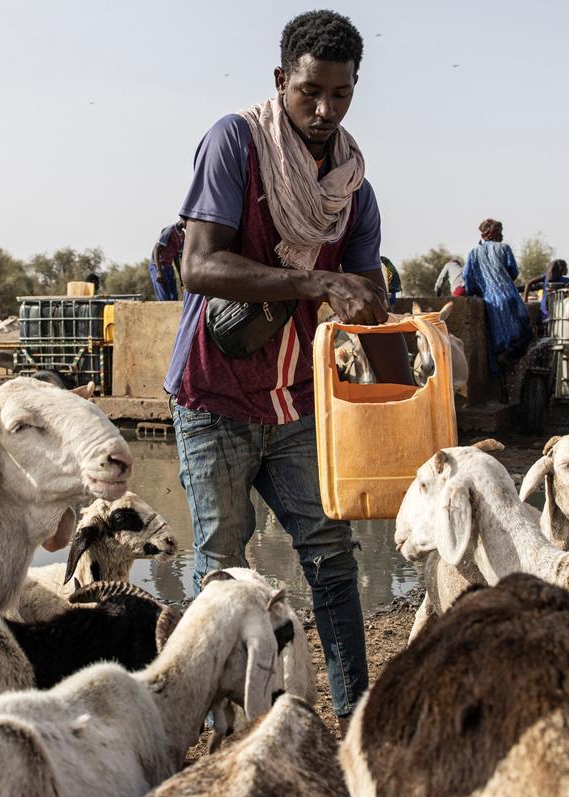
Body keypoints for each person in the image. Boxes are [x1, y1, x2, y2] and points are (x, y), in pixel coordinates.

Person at [163, 10, 411, 725]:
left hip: (301, 402)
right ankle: (222, 729)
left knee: (332, 558)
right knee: (223, 574)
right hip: (215, 395)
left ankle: (357, 715)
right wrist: (314, 284)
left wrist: (373, 309)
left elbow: (362, 296)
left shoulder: (353, 188)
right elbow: (200, 266)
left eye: (341, 94)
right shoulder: (234, 142)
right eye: (310, 93)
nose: (325, 109)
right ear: (281, 81)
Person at [463, 218, 532, 374]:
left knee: (496, 340)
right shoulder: (504, 248)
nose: (502, 236)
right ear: (493, 234)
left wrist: (476, 290)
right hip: (510, 296)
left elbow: (467, 276)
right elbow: (513, 271)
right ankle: (509, 356)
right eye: (500, 232)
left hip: (490, 301)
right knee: (526, 332)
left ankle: (501, 368)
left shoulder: (473, 253)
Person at [524, 258, 569, 325]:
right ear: (561, 269)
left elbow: (528, 284)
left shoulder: (545, 277)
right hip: (558, 312)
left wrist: (525, 301)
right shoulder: (566, 281)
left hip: (544, 311)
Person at [149, 220, 185, 301]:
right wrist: (159, 271)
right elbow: (156, 249)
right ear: (184, 220)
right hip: (158, 266)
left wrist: (180, 275)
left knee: (174, 297)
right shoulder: (169, 230)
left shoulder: (183, 235)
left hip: (168, 267)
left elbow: (176, 256)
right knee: (164, 298)